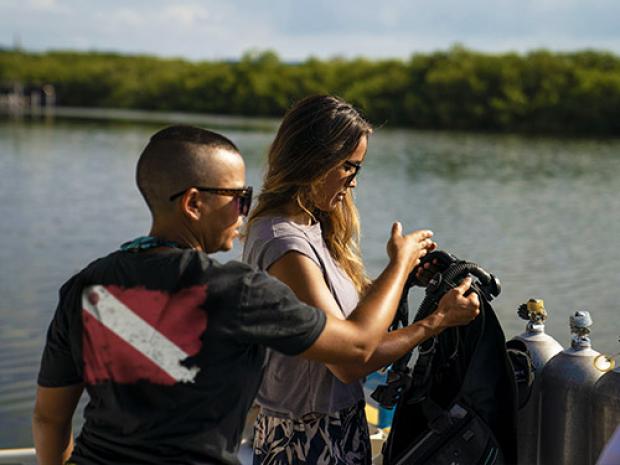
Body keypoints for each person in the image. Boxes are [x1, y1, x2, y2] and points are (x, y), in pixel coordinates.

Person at [31, 125, 475, 465]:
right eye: (239, 197)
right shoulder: (237, 292)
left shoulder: (84, 288)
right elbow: (356, 348)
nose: (246, 210)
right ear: (193, 203)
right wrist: (404, 271)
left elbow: (50, 418)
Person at [243, 95, 480, 465]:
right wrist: (434, 318)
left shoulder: (309, 225)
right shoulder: (283, 243)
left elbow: (348, 325)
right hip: (306, 439)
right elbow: (350, 359)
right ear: (315, 161)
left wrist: (401, 281)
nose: (353, 182)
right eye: (349, 167)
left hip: (337, 426)